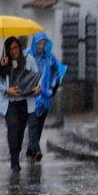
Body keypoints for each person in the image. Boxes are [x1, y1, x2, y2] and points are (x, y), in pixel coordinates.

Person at [0, 37, 40, 173]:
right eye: (11, 49)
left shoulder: (29, 60)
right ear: (7, 50)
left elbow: (37, 77)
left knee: (20, 130)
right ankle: (14, 161)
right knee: (12, 127)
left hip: (25, 102)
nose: (14, 51)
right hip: (10, 103)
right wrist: (6, 89)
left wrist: (38, 87)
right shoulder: (4, 63)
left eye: (16, 48)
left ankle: (16, 152)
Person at [25, 32, 65, 164]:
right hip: (31, 97)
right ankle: (36, 151)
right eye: (39, 43)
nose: (41, 46)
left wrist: (52, 87)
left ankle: (31, 151)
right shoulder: (28, 56)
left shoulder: (49, 57)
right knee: (32, 125)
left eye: (43, 43)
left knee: (39, 126)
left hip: (45, 97)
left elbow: (56, 72)